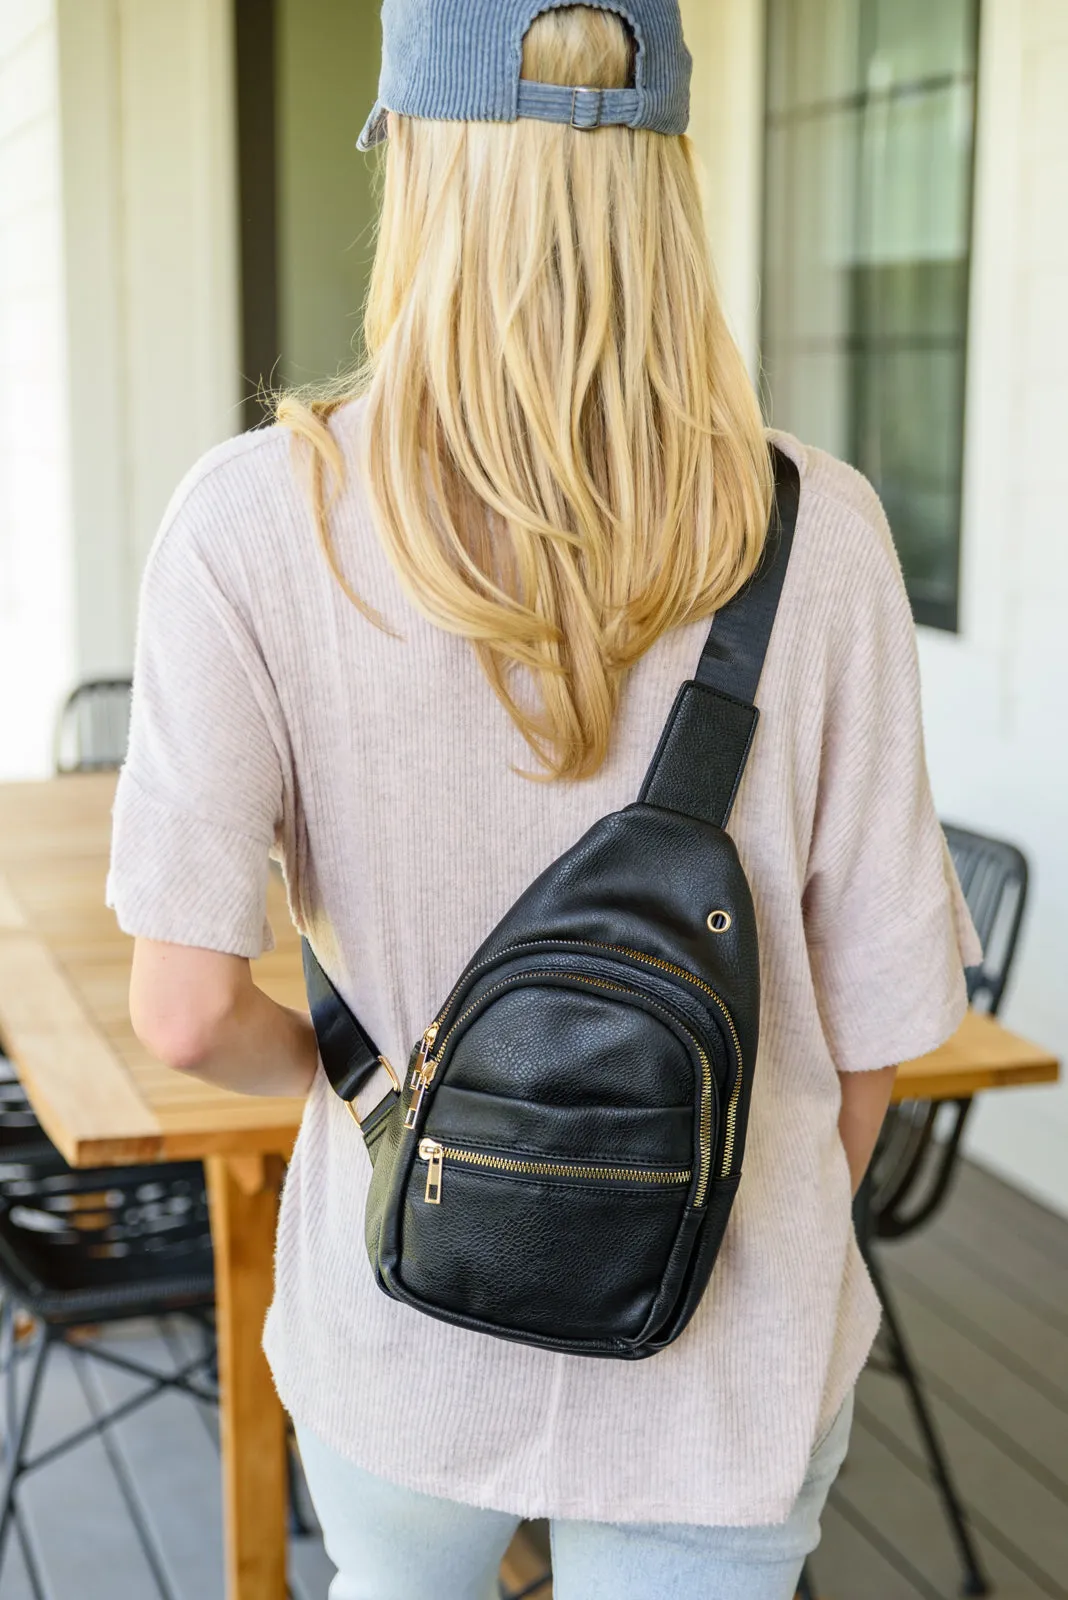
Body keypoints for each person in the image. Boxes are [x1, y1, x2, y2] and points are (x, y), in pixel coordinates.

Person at [107, 2, 980, 1596]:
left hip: (401, 1313)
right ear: (668, 179)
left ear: (418, 161)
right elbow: (881, 1031)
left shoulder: (252, 524)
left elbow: (180, 1015)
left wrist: (367, 1092)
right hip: (730, 1357)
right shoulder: (823, 535)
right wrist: (711, 1219)